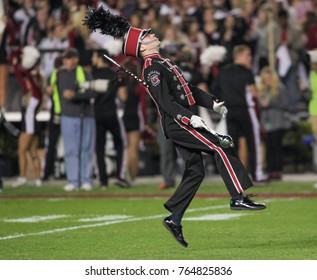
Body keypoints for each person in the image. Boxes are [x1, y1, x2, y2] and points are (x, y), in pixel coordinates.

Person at [84, 7, 266, 248]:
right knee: (220, 147)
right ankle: (238, 196)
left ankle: (174, 218)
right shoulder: (151, 69)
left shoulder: (163, 62)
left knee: (195, 171)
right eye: (147, 35)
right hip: (177, 122)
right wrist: (189, 118)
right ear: (142, 46)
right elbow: (166, 103)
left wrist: (212, 102)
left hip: (184, 119)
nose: (152, 34)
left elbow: (187, 89)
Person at [212, 44, 267, 184]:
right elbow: (253, 93)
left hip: (229, 111)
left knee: (232, 145)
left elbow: (214, 90)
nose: (250, 58)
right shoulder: (246, 72)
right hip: (246, 109)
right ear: (240, 55)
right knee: (253, 142)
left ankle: (235, 176)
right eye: (248, 55)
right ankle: (257, 174)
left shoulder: (223, 72)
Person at [54, 47, 95, 191]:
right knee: (70, 150)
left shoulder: (84, 73)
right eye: (64, 58)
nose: (64, 61)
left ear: (75, 60)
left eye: (67, 58)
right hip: (67, 116)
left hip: (85, 115)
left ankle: (86, 179)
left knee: (86, 149)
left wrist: (75, 95)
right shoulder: (59, 74)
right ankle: (73, 180)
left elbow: (92, 93)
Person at [91, 49, 129, 188]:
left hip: (96, 114)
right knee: (120, 144)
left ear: (100, 58)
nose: (92, 59)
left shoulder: (91, 75)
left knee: (99, 148)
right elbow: (123, 96)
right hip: (111, 113)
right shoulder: (114, 74)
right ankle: (119, 176)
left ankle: (103, 181)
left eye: (94, 56)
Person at [11, 46, 44, 188]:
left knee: (21, 151)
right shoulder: (32, 92)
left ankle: (23, 177)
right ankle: (37, 180)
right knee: (32, 152)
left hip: (29, 125)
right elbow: (23, 77)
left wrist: (16, 63)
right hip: (32, 123)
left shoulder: (35, 92)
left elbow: (22, 73)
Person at [258, 66, 291, 180]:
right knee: (268, 148)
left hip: (278, 121)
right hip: (266, 123)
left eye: (269, 78)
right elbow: (259, 105)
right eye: (265, 78)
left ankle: (278, 171)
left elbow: (286, 104)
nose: (267, 80)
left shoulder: (280, 88)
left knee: (276, 147)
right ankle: (270, 171)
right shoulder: (262, 90)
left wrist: (271, 102)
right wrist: (262, 103)